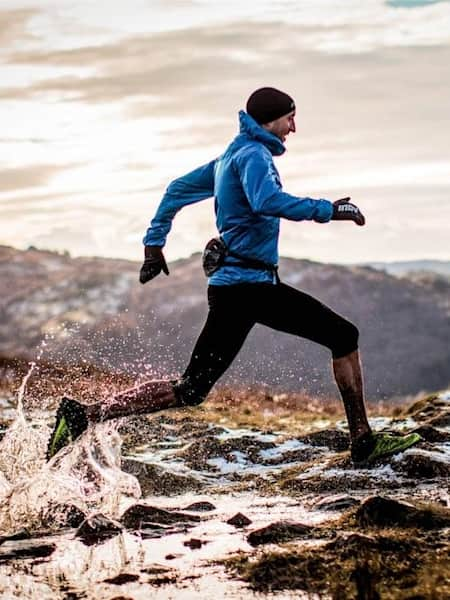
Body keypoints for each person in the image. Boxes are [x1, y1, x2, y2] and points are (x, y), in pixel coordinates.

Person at [47, 87, 421, 465]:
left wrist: (153, 243)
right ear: (272, 119)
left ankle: (83, 415)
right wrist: (330, 209)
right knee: (343, 335)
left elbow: (177, 190)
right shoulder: (254, 156)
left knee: (191, 389)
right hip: (250, 288)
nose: (294, 127)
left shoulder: (231, 156)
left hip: (235, 289)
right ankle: (363, 441)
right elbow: (267, 201)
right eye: (290, 117)